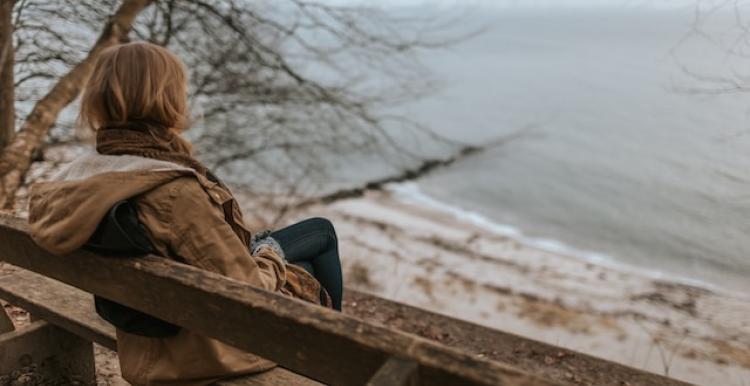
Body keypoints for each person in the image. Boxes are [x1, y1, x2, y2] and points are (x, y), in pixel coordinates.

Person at [26, 41, 342, 386]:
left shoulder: (78, 177)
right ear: (166, 97)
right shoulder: (173, 192)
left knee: (311, 241)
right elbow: (249, 291)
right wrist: (269, 253)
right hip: (204, 351)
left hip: (146, 342)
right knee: (318, 238)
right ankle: (339, 359)